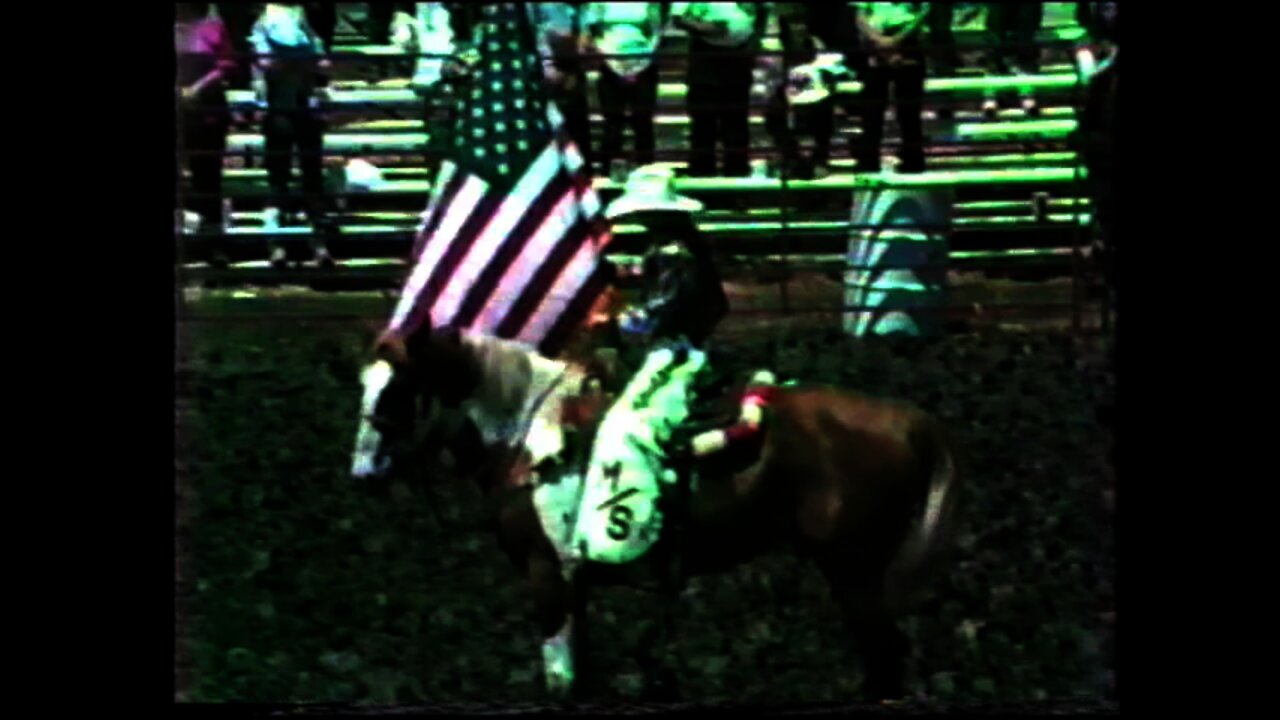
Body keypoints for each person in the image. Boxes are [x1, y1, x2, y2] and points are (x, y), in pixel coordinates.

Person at [250, 2, 334, 267]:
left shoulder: (303, 21)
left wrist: (306, 56)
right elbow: (265, 63)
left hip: (306, 109)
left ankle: (319, 244)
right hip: (278, 111)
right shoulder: (263, 24)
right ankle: (276, 244)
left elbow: (324, 64)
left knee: (312, 178)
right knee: (278, 180)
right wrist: (297, 58)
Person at [674, 2, 766, 178]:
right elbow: (678, 18)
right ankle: (702, 176)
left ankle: (737, 176)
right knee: (703, 123)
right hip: (705, 59)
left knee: (736, 123)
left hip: (740, 57)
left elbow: (762, 12)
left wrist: (754, 42)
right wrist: (703, 28)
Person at [176, 3, 236, 265]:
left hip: (208, 112)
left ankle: (213, 245)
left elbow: (226, 64)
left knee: (208, 179)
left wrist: (197, 89)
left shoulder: (213, 27)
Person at [583, 2, 667, 178]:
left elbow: (656, 31)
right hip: (610, 64)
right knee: (613, 124)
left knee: (643, 122)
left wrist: (640, 63)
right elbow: (593, 32)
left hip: (644, 64)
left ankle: (647, 175)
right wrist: (613, 62)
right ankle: (609, 176)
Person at [850, 2, 930, 174]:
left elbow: (924, 12)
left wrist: (897, 40)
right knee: (872, 111)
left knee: (909, 110)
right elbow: (860, 16)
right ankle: (869, 162)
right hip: (874, 42)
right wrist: (878, 40)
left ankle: (913, 160)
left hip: (908, 38)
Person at [528, 2, 594, 171]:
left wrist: (577, 63)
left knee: (577, 120)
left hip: (572, 62)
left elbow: (584, 27)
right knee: (549, 122)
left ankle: (582, 169)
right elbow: (534, 32)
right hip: (542, 66)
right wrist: (548, 67)